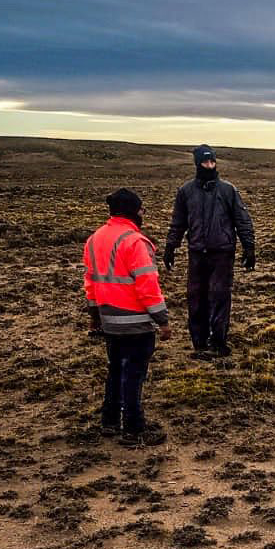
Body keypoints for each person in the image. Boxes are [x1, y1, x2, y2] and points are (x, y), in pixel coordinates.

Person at [84, 188, 172, 447]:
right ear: (134, 211)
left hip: (109, 320)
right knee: (134, 374)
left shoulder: (94, 239)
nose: (144, 213)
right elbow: (147, 287)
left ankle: (109, 421)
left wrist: (94, 317)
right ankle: (133, 429)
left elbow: (90, 283)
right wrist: (162, 320)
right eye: (142, 209)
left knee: (115, 370)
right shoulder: (135, 242)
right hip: (136, 322)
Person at [163, 145, 255, 359]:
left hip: (222, 252)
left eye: (212, 162)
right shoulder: (186, 191)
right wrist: (171, 246)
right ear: (197, 163)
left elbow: (242, 220)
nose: (210, 165)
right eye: (205, 162)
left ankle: (219, 341)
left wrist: (249, 247)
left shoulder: (228, 190)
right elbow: (178, 222)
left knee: (220, 295)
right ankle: (199, 342)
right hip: (197, 252)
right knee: (196, 297)